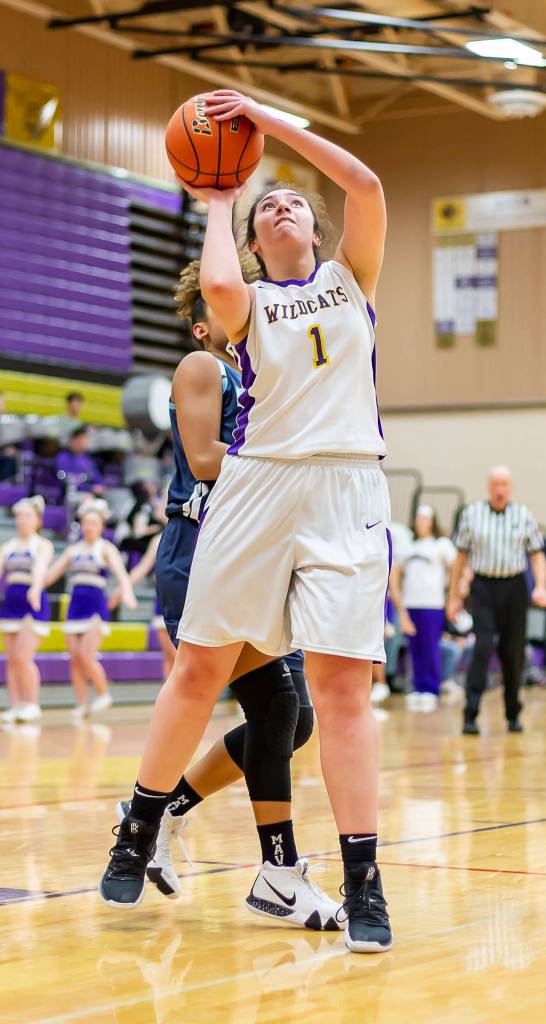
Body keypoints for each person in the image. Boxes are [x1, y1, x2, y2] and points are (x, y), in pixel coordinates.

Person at [99, 89, 392, 955]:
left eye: (292, 200)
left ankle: (364, 882)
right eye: (269, 206)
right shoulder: (248, 305)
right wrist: (223, 193)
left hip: (346, 487)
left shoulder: (351, 280)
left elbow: (366, 184)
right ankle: (139, 823)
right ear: (258, 244)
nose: (283, 204)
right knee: (200, 668)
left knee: (340, 693)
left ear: (315, 229)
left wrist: (267, 122)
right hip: (260, 486)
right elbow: (220, 279)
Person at [111, 261, 337, 928]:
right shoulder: (203, 366)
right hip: (201, 547)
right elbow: (207, 460)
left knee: (296, 722)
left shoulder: (267, 377)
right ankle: (272, 870)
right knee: (279, 704)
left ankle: (163, 812)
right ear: (206, 322)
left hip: (255, 556)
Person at [448, 465, 546, 734]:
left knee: (512, 653)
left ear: (510, 487)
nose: (499, 489)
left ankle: (513, 712)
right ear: (489, 487)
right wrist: (453, 597)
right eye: (495, 484)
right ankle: (470, 713)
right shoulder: (472, 515)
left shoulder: (523, 515)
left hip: (514, 588)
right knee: (482, 646)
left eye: (504, 484)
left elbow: (537, 554)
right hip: (483, 588)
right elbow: (460, 559)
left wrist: (541, 586)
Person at [46, 499, 137, 719]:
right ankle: (82, 704)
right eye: (86, 523)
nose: (89, 527)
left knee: (86, 655)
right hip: (74, 607)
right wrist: (35, 585)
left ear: (101, 526)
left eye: (94, 523)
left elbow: (121, 574)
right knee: (75, 658)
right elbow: (51, 575)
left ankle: (103, 693)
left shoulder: (105, 548)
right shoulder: (72, 550)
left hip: (95, 607)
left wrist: (127, 593)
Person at [390, 505, 456, 711]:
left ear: (432, 521)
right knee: (415, 647)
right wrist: (399, 604)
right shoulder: (408, 547)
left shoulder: (441, 545)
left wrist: (452, 594)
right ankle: (418, 687)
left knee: (430, 647)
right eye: (418, 518)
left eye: (425, 519)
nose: (421, 522)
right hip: (411, 605)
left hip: (433, 604)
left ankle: (431, 688)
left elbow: (458, 567)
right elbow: (395, 573)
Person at [0, 496, 54, 724]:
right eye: (20, 516)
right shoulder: (8, 546)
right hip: (9, 604)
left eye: (28, 516)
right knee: (11, 659)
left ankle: (31, 703)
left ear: (38, 520)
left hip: (32, 603)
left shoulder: (42, 544)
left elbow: (41, 568)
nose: (23, 520)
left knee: (23, 656)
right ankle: (16, 705)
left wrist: (35, 587)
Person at [111, 531, 176, 680]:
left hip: (186, 598)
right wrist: (122, 589)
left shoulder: (195, 531)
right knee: (168, 654)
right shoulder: (158, 538)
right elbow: (143, 567)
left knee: (179, 655)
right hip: (163, 598)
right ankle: (170, 699)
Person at [56, 427, 103, 495]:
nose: (83, 442)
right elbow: (64, 480)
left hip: (87, 498)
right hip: (66, 497)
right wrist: (89, 488)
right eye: (79, 439)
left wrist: (98, 487)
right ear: (72, 440)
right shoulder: (62, 458)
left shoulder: (88, 460)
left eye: (84, 439)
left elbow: (97, 480)